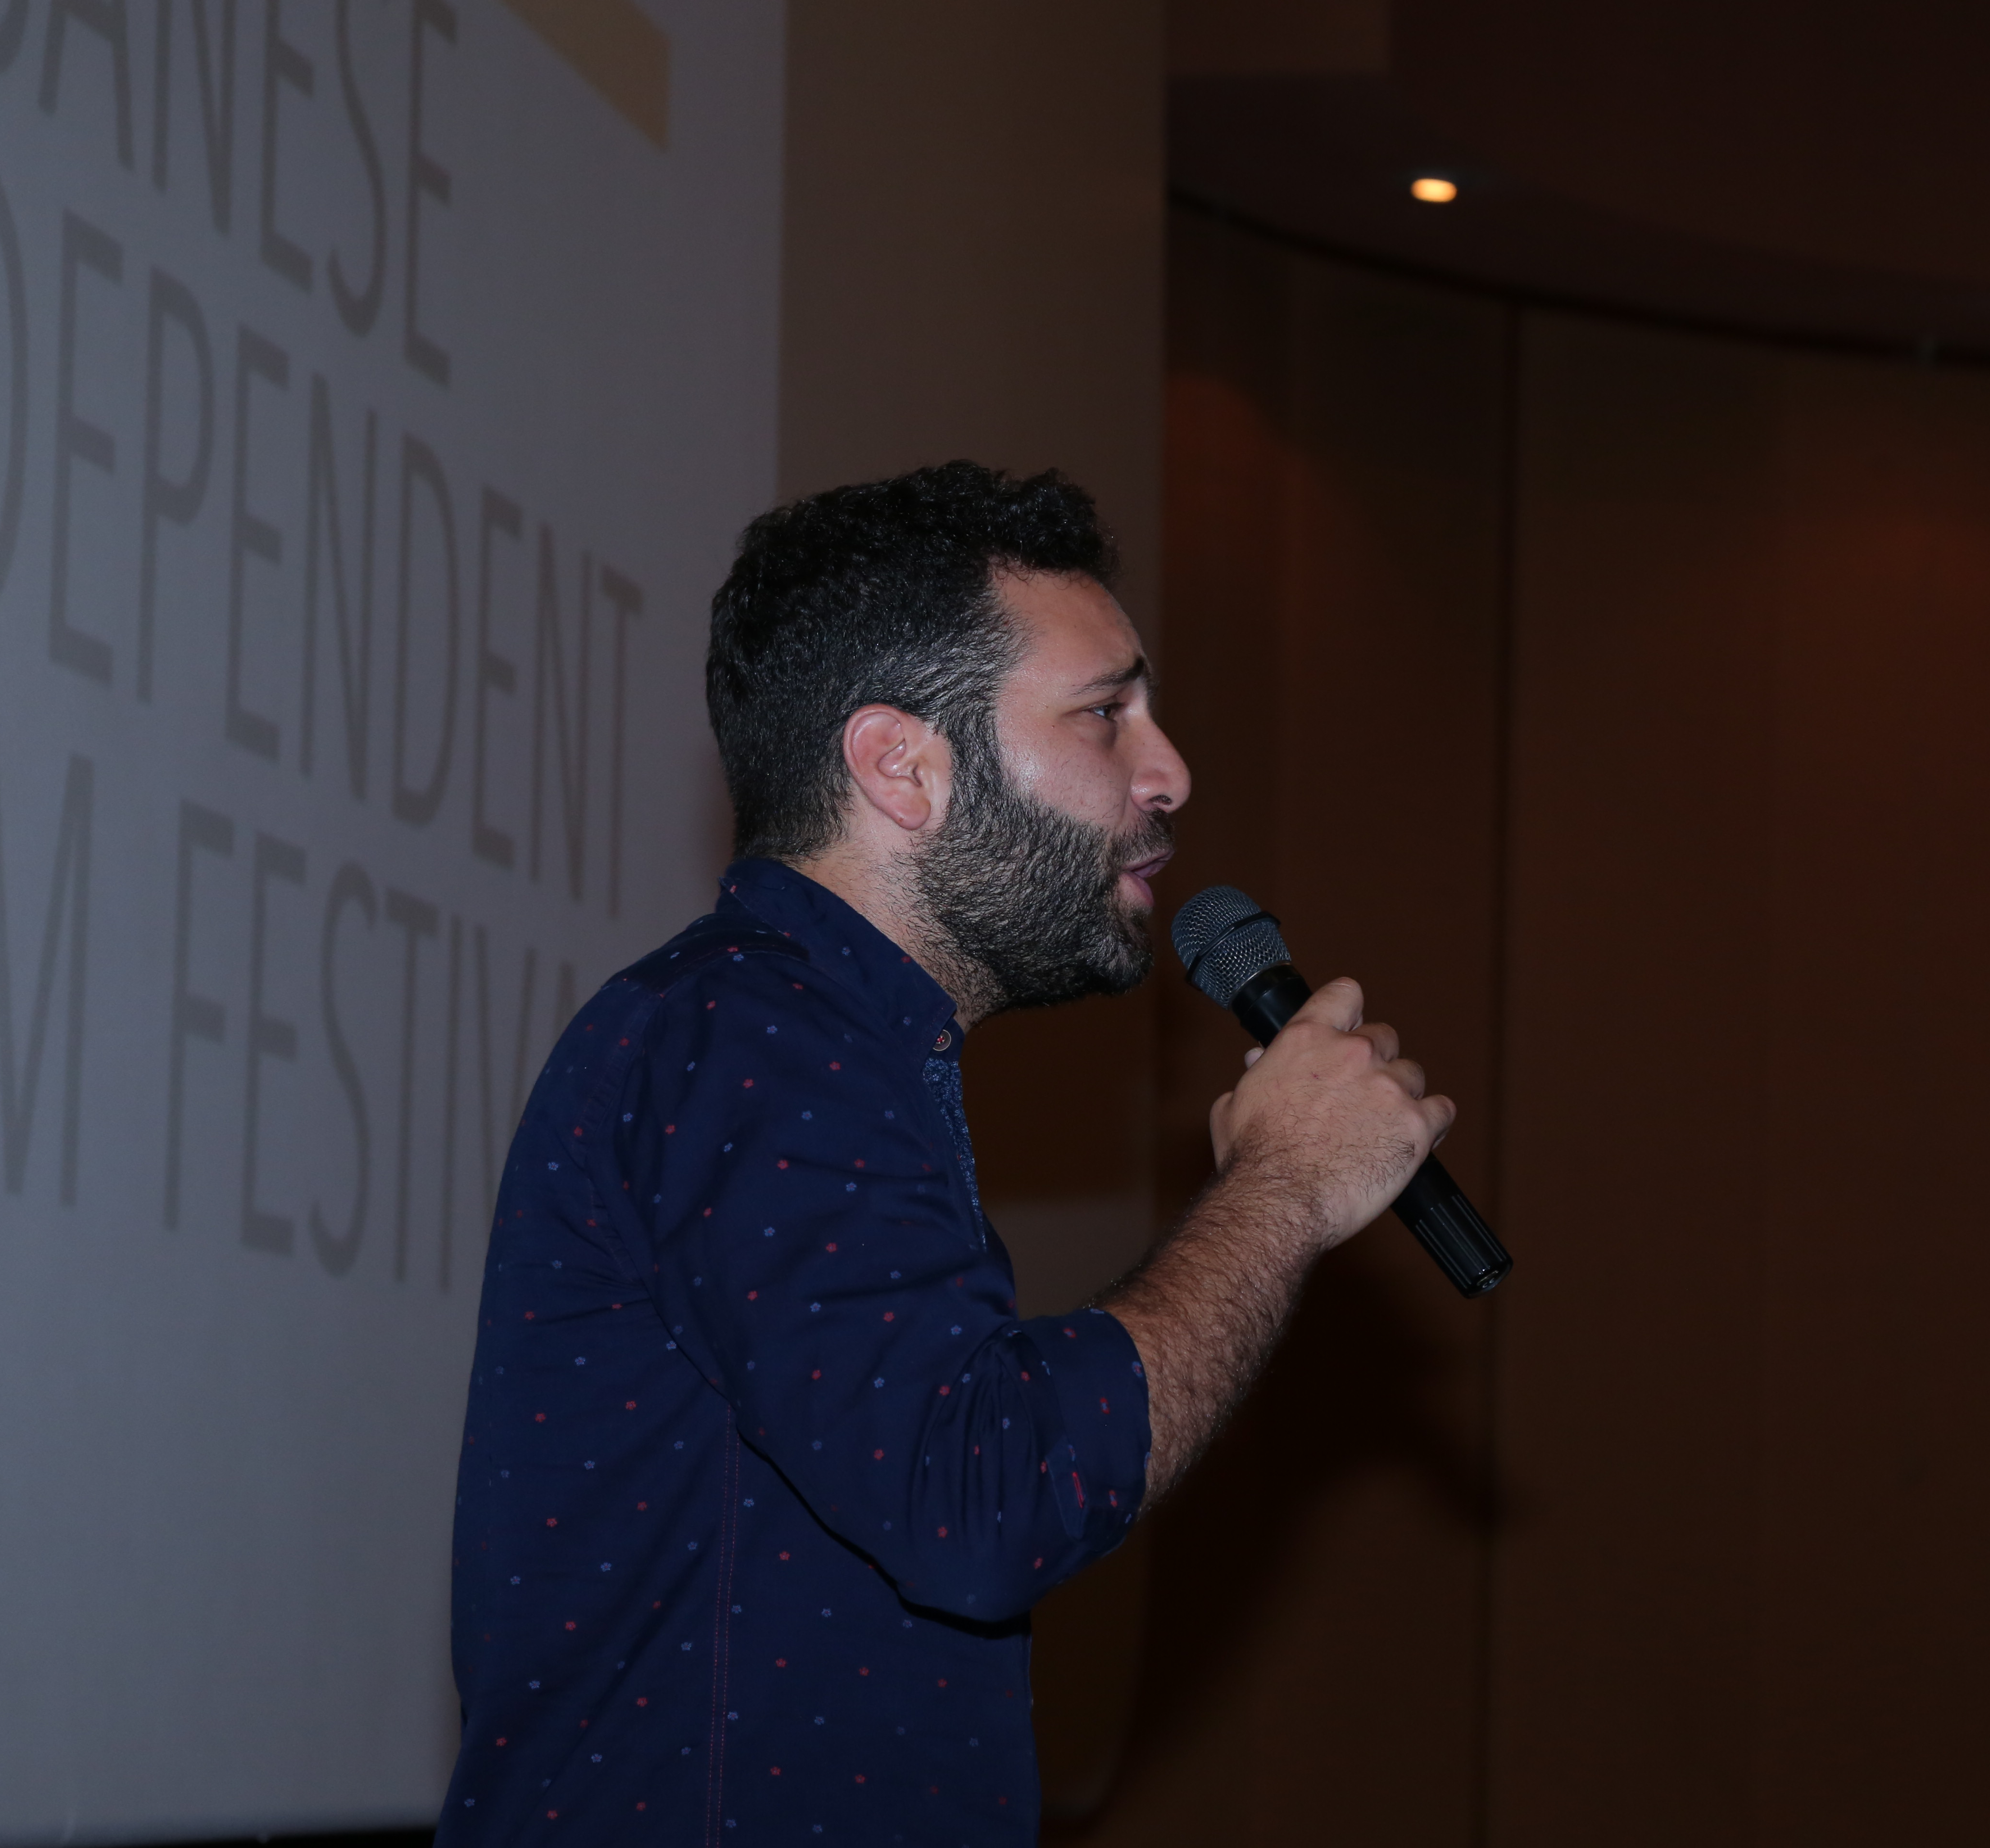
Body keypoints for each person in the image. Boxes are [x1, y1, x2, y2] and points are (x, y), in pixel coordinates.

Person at [436, 462, 1453, 1842]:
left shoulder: (808, 1043)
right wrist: (1285, 1187)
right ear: (901, 765)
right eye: (1106, 714)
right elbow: (984, 1501)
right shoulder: (752, 1032)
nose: (1169, 772)